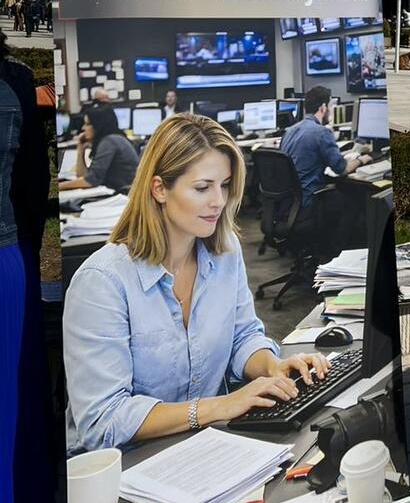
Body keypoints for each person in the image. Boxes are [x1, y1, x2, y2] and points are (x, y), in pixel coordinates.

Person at [63, 113, 331, 452]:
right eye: (203, 188)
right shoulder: (101, 283)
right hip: (127, 463)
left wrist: (272, 366)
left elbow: (242, 336)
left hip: (205, 447)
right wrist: (219, 406)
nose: (219, 201)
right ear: (159, 188)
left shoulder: (225, 251)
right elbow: (103, 422)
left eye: (225, 185)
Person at [0, 31, 55, 503]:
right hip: (7, 254)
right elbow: (32, 186)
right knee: (9, 400)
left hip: (8, 254)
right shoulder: (14, 80)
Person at [279, 85, 371, 215]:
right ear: (323, 107)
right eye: (330, 106)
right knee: (354, 200)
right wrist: (362, 159)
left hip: (289, 203)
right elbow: (342, 169)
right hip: (309, 200)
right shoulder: (322, 132)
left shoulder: (289, 132)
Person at [59, 106, 139, 193]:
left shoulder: (110, 141)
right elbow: (83, 176)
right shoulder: (110, 139)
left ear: (98, 125)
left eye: (87, 124)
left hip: (122, 194)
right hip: (116, 191)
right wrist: (80, 150)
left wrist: (58, 186)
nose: (83, 128)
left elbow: (90, 181)